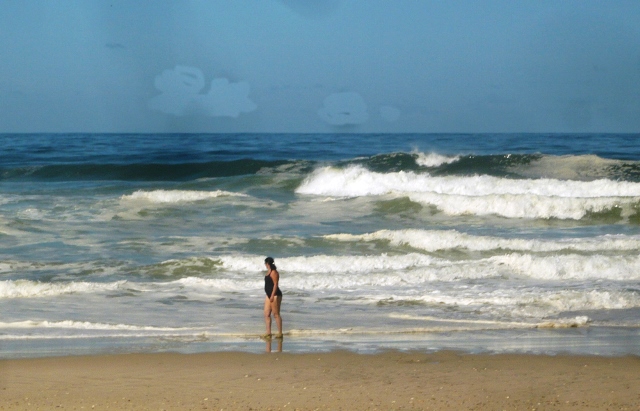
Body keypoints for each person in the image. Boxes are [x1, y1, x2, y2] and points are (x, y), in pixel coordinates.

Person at [263, 256, 283, 339]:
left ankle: (280, 333)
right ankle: (268, 333)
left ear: (268, 263)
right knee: (267, 314)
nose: (265, 265)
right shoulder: (268, 271)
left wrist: (272, 295)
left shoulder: (274, 272)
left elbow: (275, 284)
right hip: (268, 295)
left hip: (275, 295)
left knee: (276, 314)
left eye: (265, 263)